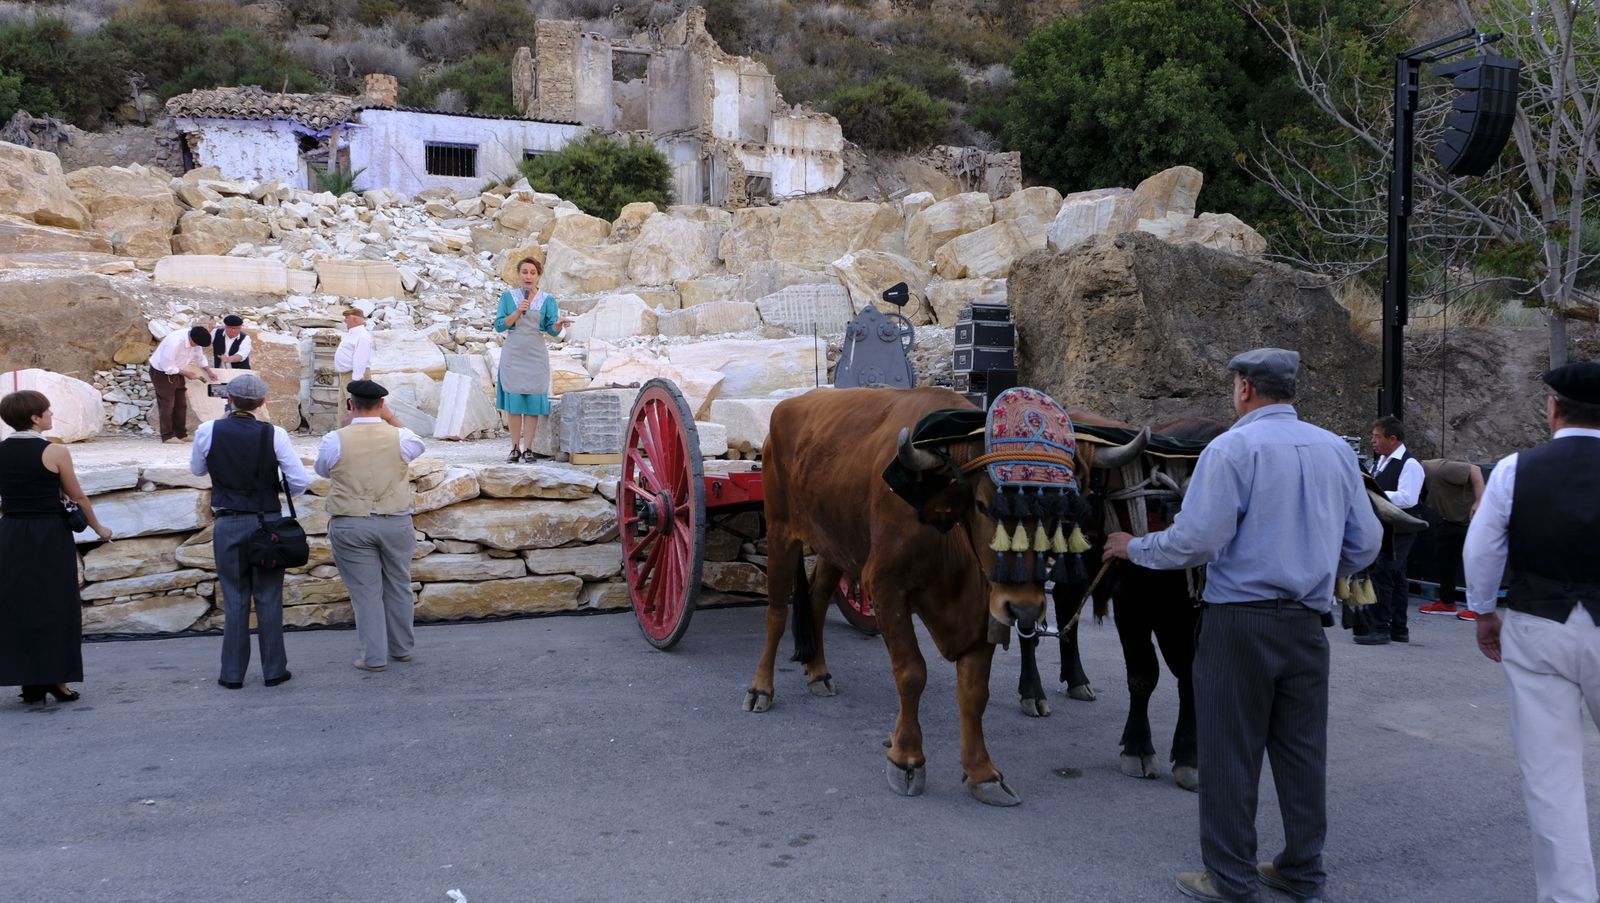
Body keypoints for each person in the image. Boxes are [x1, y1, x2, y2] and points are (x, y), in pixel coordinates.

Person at [1104, 348, 1382, 903]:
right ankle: (1302, 872)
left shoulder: (1231, 448)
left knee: (1230, 752)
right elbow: (1367, 542)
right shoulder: (1335, 451)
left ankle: (1229, 878)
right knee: (1303, 752)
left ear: (1245, 389)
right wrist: (1318, 564)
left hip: (1239, 623)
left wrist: (1135, 546)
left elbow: (1196, 542)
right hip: (1308, 624)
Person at [1465, 361, 1600, 903]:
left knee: (1552, 779)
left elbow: (1481, 550)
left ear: (1552, 410)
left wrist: (1483, 613)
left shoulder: (1516, 469)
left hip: (1539, 621)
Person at [190, 373, 310, 690]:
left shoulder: (207, 430)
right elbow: (298, 480)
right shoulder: (274, 434)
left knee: (235, 598)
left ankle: (232, 673)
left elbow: (198, 470)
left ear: (228, 399)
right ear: (262, 402)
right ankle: (274, 670)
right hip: (266, 522)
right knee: (269, 597)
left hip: (228, 522)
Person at [0, 390, 113, 705]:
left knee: (17, 605)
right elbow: (77, 496)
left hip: (10, 534)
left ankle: (29, 682)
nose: (51, 415)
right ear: (34, 418)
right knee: (55, 606)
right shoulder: (55, 452)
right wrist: (99, 528)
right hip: (48, 535)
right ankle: (56, 680)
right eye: (47, 411)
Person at [316, 379, 426, 672]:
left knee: (365, 593)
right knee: (399, 585)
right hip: (395, 520)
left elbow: (323, 470)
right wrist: (389, 417)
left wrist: (347, 425)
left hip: (351, 521)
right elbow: (419, 444)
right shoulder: (402, 437)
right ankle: (402, 648)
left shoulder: (334, 439)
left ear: (350, 404)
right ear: (381, 404)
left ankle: (373, 657)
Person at [494, 255, 572, 464]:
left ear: (538, 276)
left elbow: (550, 330)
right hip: (514, 352)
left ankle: (528, 448)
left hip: (535, 353)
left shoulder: (548, 300)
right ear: (519, 274)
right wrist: (518, 312)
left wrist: (559, 325)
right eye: (525, 272)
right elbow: (500, 325)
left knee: (532, 402)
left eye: (533, 273)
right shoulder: (508, 298)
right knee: (515, 403)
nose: (528, 276)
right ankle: (514, 448)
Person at [1359, 415, 1426, 645]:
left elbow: (1408, 498)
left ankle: (1381, 627)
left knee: (1383, 572)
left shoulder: (1410, 464)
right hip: (1386, 526)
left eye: (1377, 437)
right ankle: (1399, 628)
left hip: (1402, 528)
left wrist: (1375, 493)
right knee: (1397, 576)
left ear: (1393, 438)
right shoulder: (1380, 462)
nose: (1373, 441)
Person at [1415, 457, 1484, 618]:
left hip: (1475, 519)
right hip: (1451, 520)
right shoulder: (1417, 479)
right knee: (1445, 560)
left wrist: (1479, 501)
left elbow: (1475, 470)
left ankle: (1480, 609)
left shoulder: (1436, 468)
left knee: (1476, 564)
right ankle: (1447, 603)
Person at [149, 325, 218, 444]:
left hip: (178, 371)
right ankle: (167, 435)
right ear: (191, 338)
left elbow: (199, 357)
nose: (196, 347)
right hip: (162, 372)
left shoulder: (197, 341)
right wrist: (186, 373)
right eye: (195, 344)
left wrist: (209, 371)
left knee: (181, 404)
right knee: (167, 404)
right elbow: (167, 366)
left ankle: (181, 434)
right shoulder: (174, 342)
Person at [333, 308, 374, 427]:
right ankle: (343, 433)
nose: (345, 321)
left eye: (347, 318)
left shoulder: (362, 336)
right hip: (346, 375)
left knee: (355, 406)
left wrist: (356, 382)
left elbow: (360, 359)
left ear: (354, 319)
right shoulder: (353, 334)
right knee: (344, 406)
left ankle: (356, 433)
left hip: (354, 375)